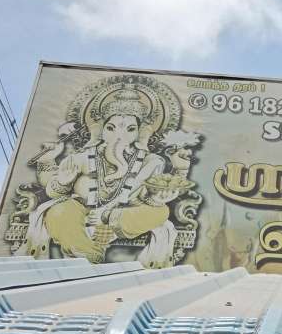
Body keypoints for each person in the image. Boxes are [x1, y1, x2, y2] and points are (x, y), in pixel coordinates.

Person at [24, 86, 184, 265]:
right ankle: (88, 255)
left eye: (130, 129)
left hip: (123, 216)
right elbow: (52, 191)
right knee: (58, 212)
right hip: (81, 210)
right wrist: (61, 181)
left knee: (161, 212)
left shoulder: (151, 161)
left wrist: (176, 176)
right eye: (111, 128)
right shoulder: (82, 157)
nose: (119, 136)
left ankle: (106, 230)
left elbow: (151, 196)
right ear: (101, 130)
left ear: (139, 133)